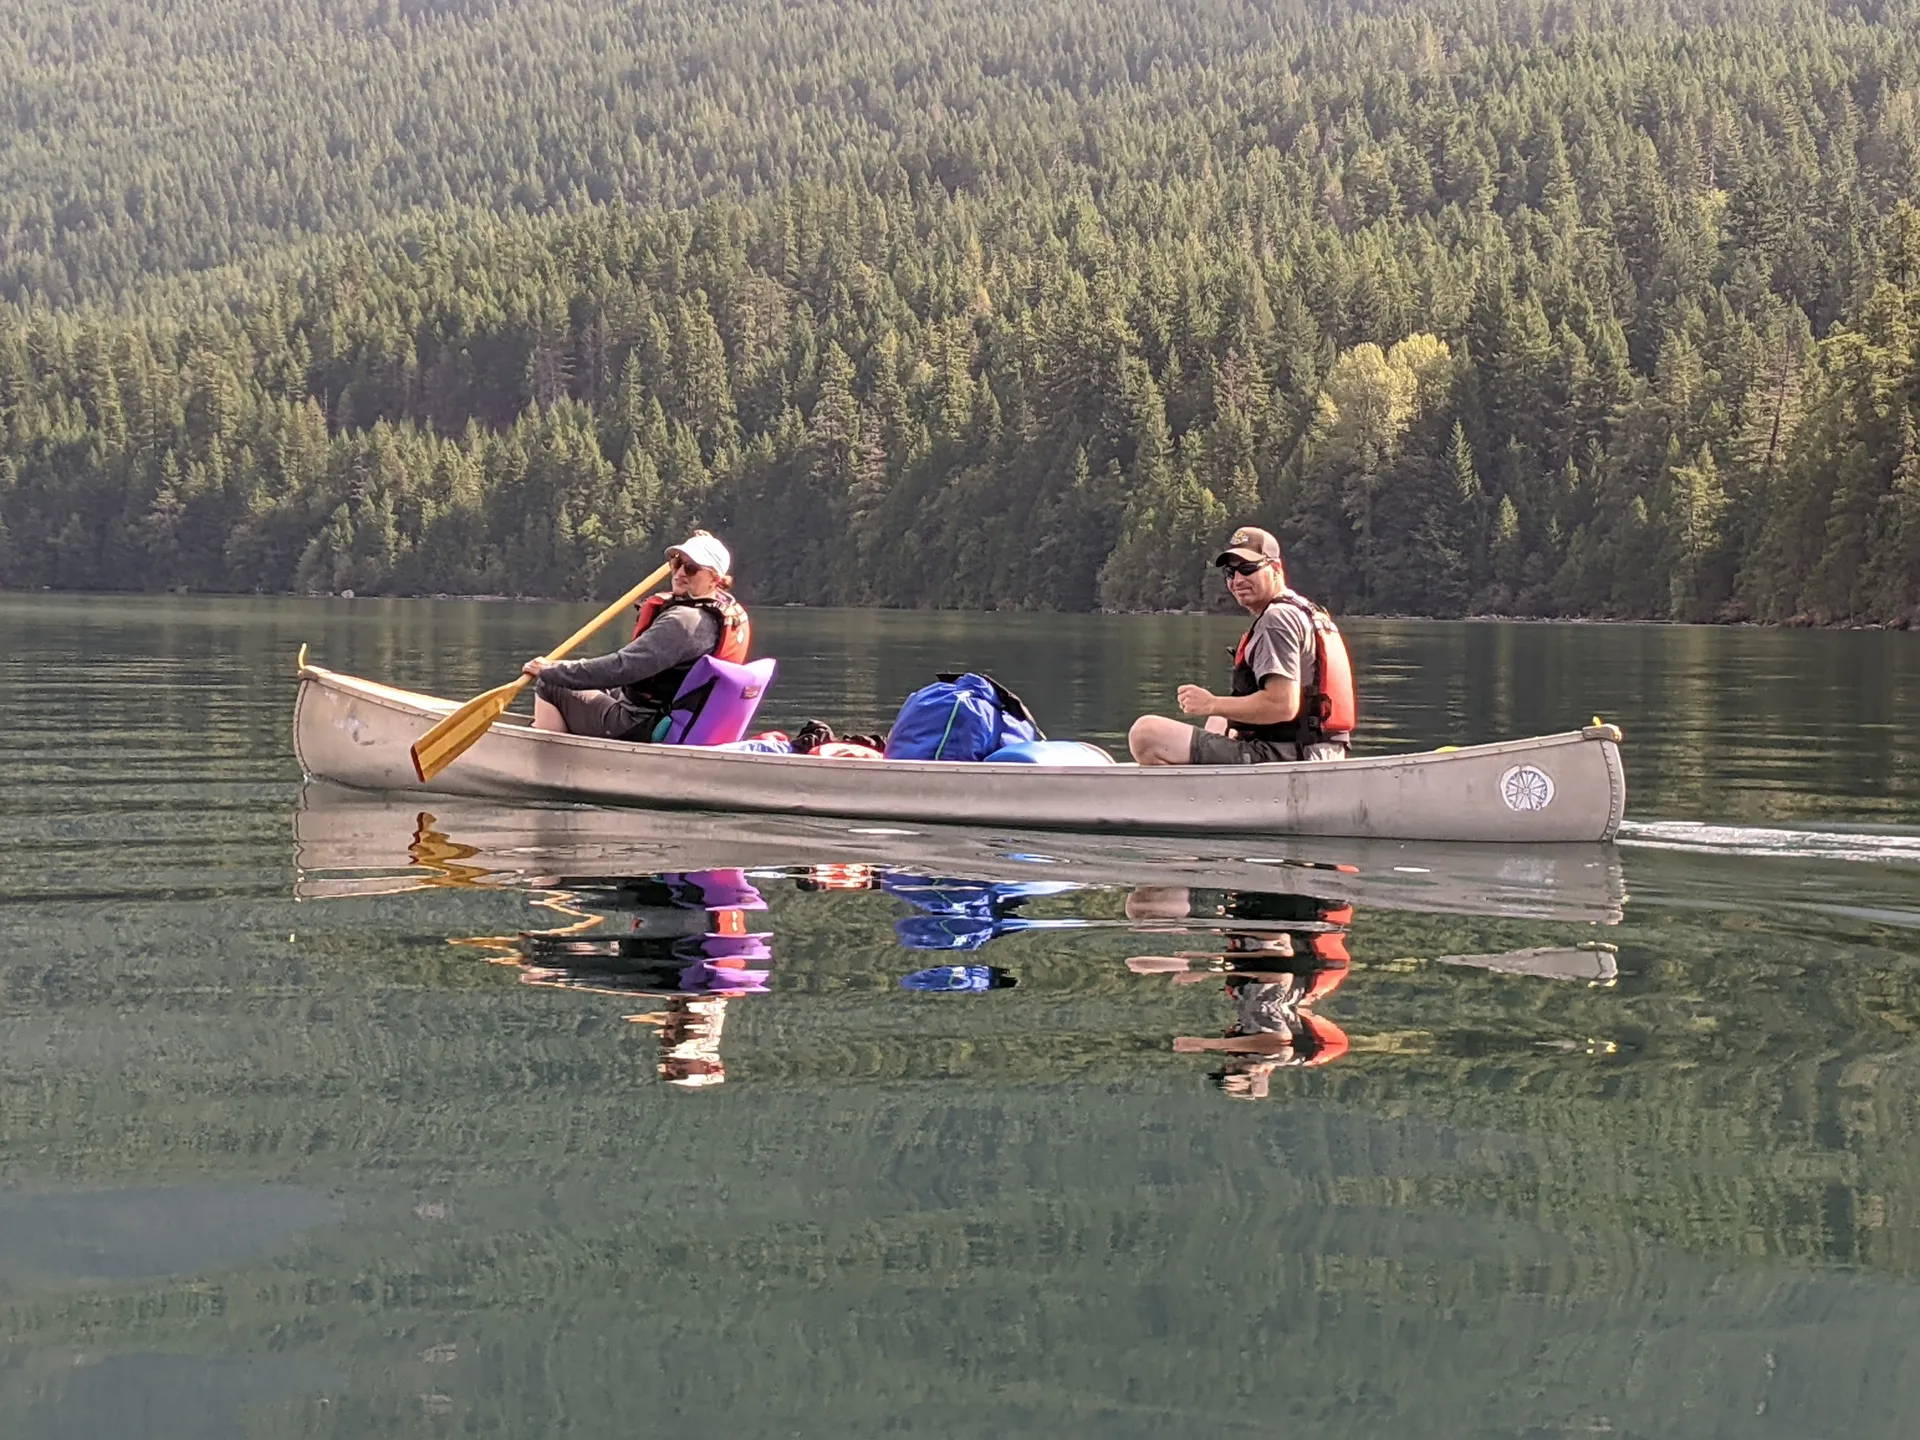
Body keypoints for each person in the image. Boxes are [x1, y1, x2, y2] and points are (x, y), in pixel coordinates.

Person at [1127, 525, 1354, 766]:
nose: (1237, 580)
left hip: (1288, 758)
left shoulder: (1277, 619)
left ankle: (1198, 798)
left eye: (1247, 569)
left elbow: (1282, 706)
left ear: (1276, 569)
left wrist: (1210, 703)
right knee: (1218, 720)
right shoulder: (1305, 610)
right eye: (1230, 573)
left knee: (1146, 734)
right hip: (1318, 751)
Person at [522, 531, 750, 741]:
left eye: (691, 568)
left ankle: (549, 766)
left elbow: (622, 667)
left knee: (551, 684)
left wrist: (552, 670)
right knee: (586, 683)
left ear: (714, 579)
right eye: (677, 562)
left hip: (639, 722)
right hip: (669, 713)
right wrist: (705, 546)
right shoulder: (723, 608)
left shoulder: (684, 622)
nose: (679, 573)